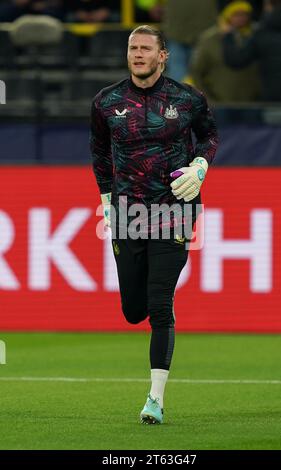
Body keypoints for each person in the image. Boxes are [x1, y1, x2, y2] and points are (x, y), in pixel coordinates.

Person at [90, 25, 218, 424]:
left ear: (163, 55)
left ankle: (155, 400)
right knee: (133, 310)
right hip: (128, 213)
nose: (138, 54)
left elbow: (209, 135)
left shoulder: (188, 98)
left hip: (174, 211)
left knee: (161, 304)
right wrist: (107, 198)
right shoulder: (106, 102)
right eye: (133, 48)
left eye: (146, 48)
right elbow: (98, 150)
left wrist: (200, 165)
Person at [222, 0, 281, 101]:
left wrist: (228, 36)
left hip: (272, 102)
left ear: (270, 6)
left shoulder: (262, 33)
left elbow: (236, 60)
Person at [191, 1, 261, 103]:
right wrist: (208, 99)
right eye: (236, 14)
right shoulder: (209, 40)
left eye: (245, 14)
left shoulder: (257, 36)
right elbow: (197, 72)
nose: (241, 18)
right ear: (227, 15)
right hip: (219, 103)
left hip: (252, 102)